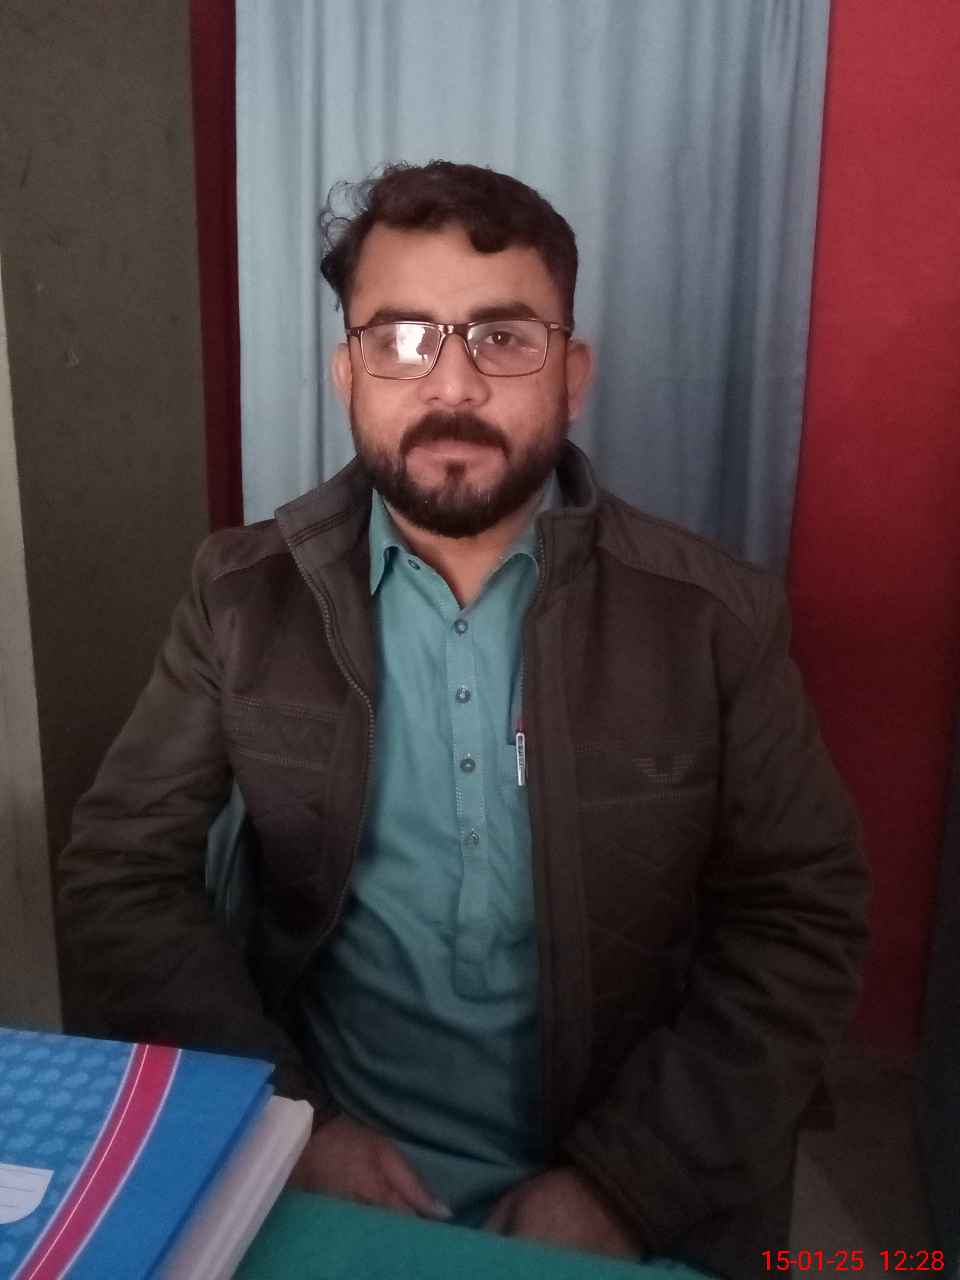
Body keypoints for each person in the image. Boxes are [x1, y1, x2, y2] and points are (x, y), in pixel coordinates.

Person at [58, 161, 868, 1277]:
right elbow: (119, 873)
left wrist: (627, 1182)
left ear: (572, 374)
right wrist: (286, 1122)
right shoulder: (241, 598)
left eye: (503, 337)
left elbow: (802, 916)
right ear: (347, 372)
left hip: (635, 1192)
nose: (452, 385)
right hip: (316, 1167)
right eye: (400, 338)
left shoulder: (713, 618)